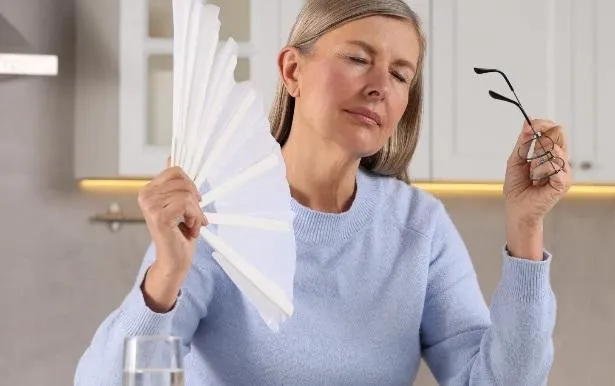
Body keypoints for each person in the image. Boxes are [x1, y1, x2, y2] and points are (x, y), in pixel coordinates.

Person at [74, 0, 572, 384]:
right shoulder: (212, 215)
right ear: (292, 71)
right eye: (358, 58)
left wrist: (525, 227)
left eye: (401, 75)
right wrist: (165, 277)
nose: (380, 85)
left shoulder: (418, 226)